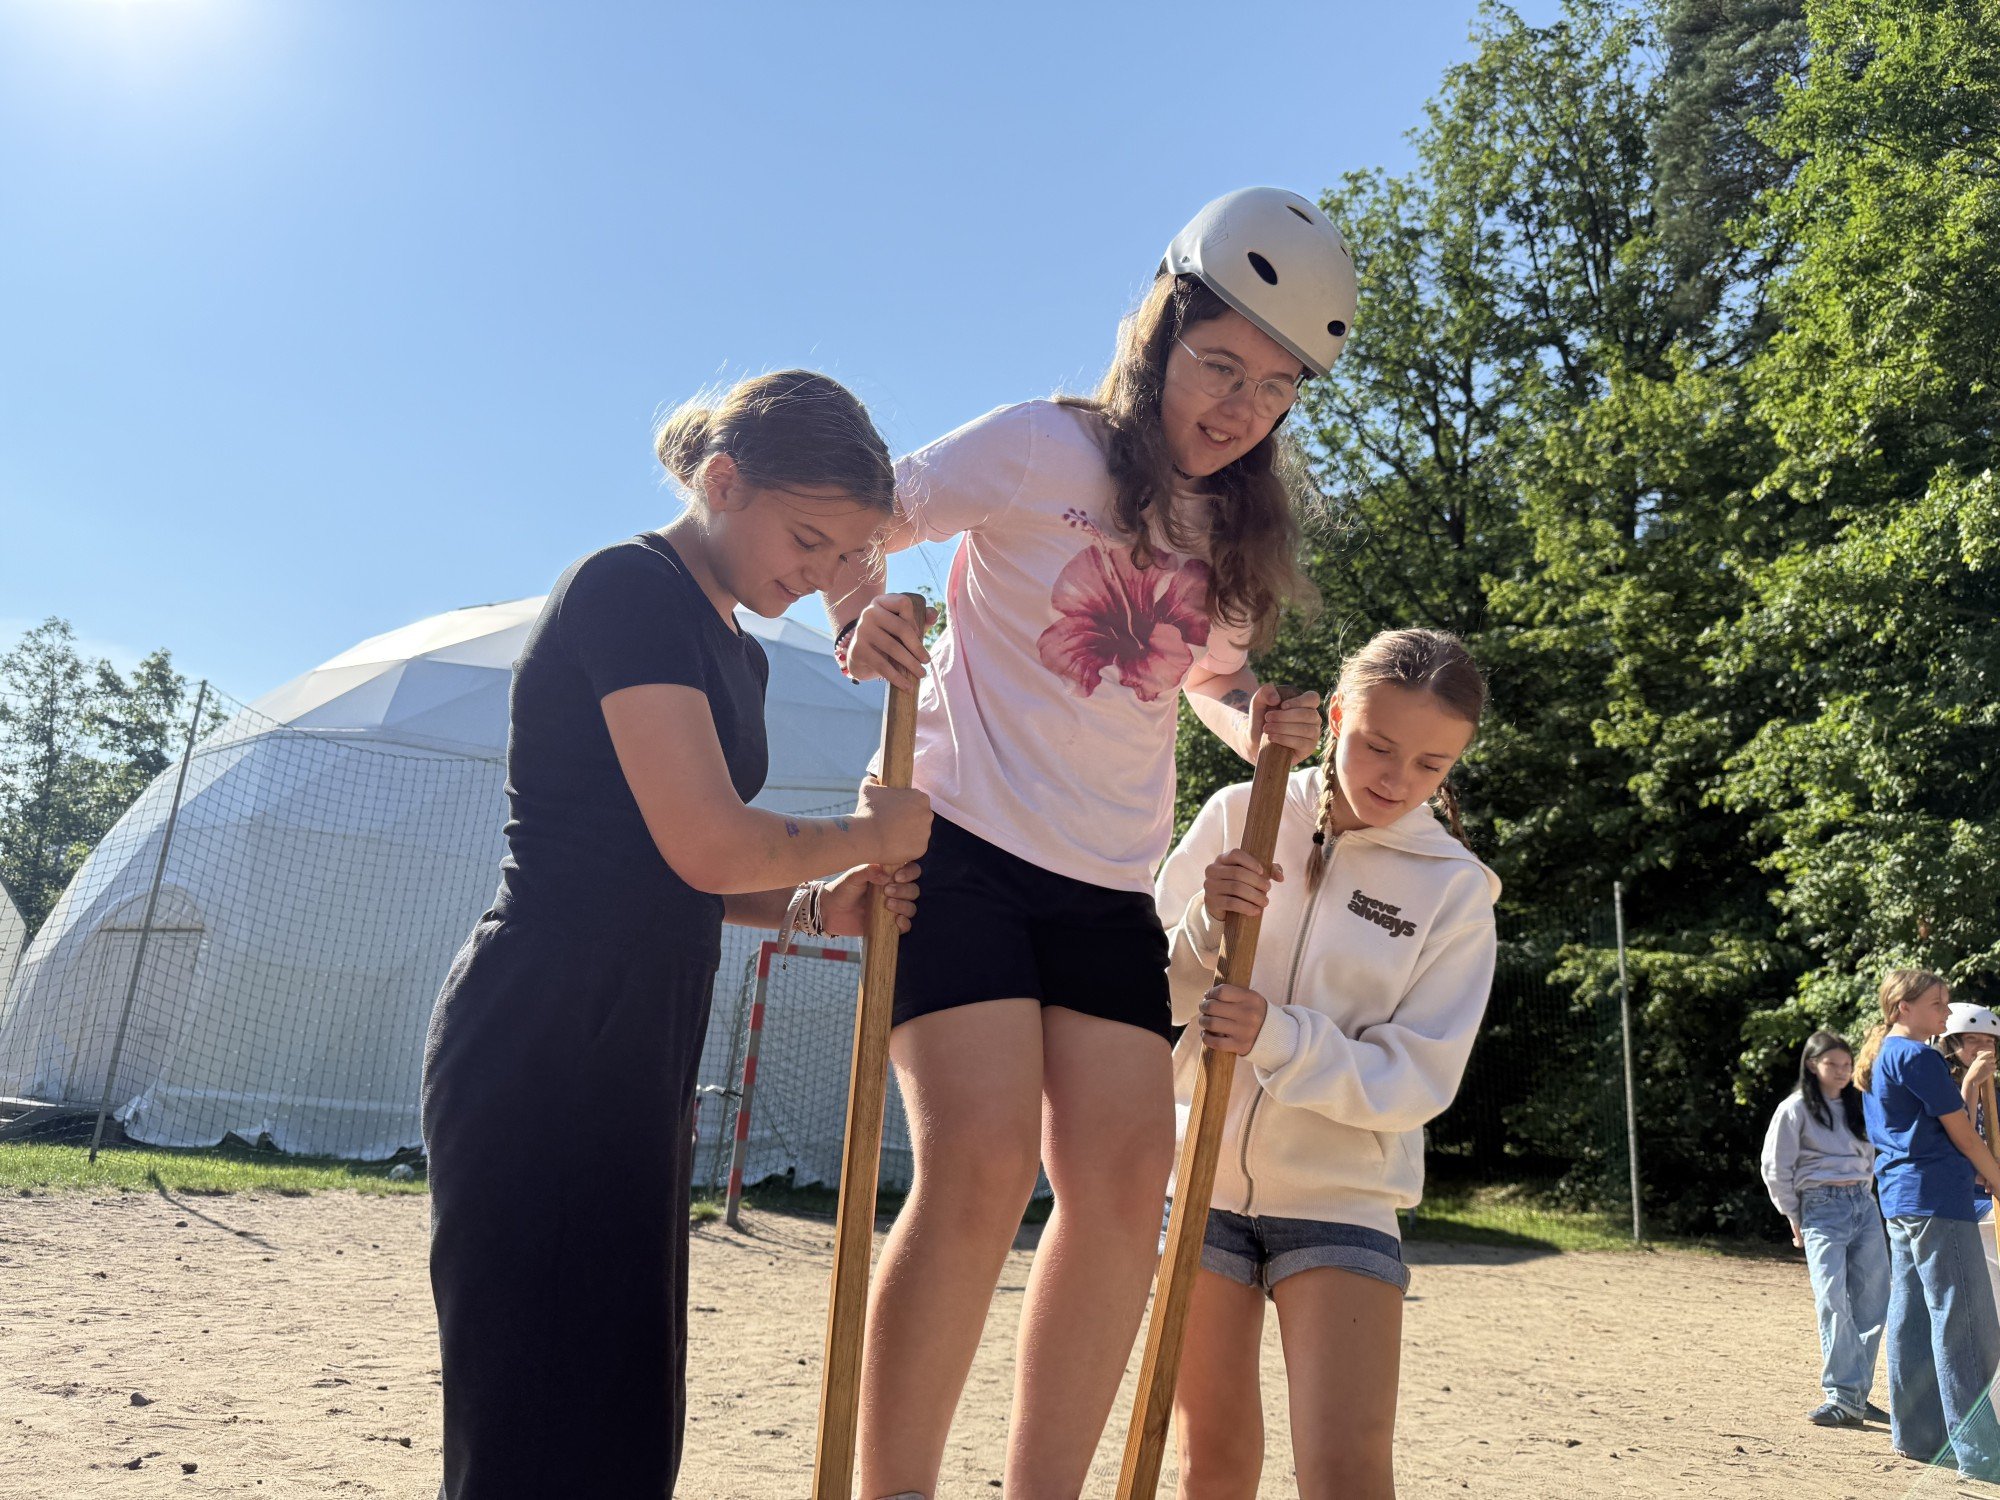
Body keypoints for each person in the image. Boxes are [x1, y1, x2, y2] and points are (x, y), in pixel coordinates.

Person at [825, 187, 1356, 1499]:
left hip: (1109, 883)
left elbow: (1206, 680)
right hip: (960, 846)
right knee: (982, 1160)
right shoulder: (1036, 446)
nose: (1238, 408)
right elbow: (862, 517)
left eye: (1274, 389)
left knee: (1125, 1189)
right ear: (1160, 331)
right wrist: (855, 613)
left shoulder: (1235, 532)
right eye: (1219, 365)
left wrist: (1262, 719)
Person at [421, 370, 933, 1499]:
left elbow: (673, 872)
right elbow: (707, 843)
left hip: (641, 1037)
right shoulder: (628, 587)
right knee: (532, 1420)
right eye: (807, 539)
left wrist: (818, 903)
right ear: (722, 481)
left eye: (846, 555)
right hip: (546, 1026)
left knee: (622, 1415)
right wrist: (866, 832)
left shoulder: (738, 650)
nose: (820, 575)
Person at [1151, 627, 1497, 1500]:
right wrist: (1205, 923)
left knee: (1345, 1472)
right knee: (1209, 1463)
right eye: (1378, 745)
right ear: (1336, 715)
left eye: (1431, 764)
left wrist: (1278, 1036)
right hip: (1197, 1183)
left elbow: (1418, 1080)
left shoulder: (1454, 890)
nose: (1397, 778)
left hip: (1343, 1200)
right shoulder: (1239, 812)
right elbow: (1145, 999)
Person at [1856, 969, 2000, 1479]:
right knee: (1965, 1324)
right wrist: (1997, 1178)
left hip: (1902, 1198)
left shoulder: (1881, 1055)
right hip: (1937, 1198)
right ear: (1903, 1008)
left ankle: (1919, 1436)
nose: (1946, 1012)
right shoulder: (1918, 1056)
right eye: (1938, 1004)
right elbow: (1963, 1135)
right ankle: (1982, 1456)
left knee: (1914, 1318)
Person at [1759, 1030, 1888, 1429]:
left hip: (1863, 1205)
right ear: (1813, 1065)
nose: (1842, 1071)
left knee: (1873, 1302)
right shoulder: (1795, 1108)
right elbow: (1775, 1167)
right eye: (1833, 1063)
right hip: (1820, 1207)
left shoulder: (1860, 1105)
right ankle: (1841, 1394)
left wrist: (1865, 1196)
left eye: (1847, 1064)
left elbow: (1870, 1157)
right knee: (1832, 1298)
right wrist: (1793, 1215)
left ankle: (1854, 1396)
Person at [1932, 1002, 2000, 1311]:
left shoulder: (1994, 1094)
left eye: (1989, 1041)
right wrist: (1971, 1084)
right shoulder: (1942, 1089)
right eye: (1973, 1039)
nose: (1983, 1047)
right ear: (1951, 1045)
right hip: (1964, 1198)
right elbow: (1961, 1141)